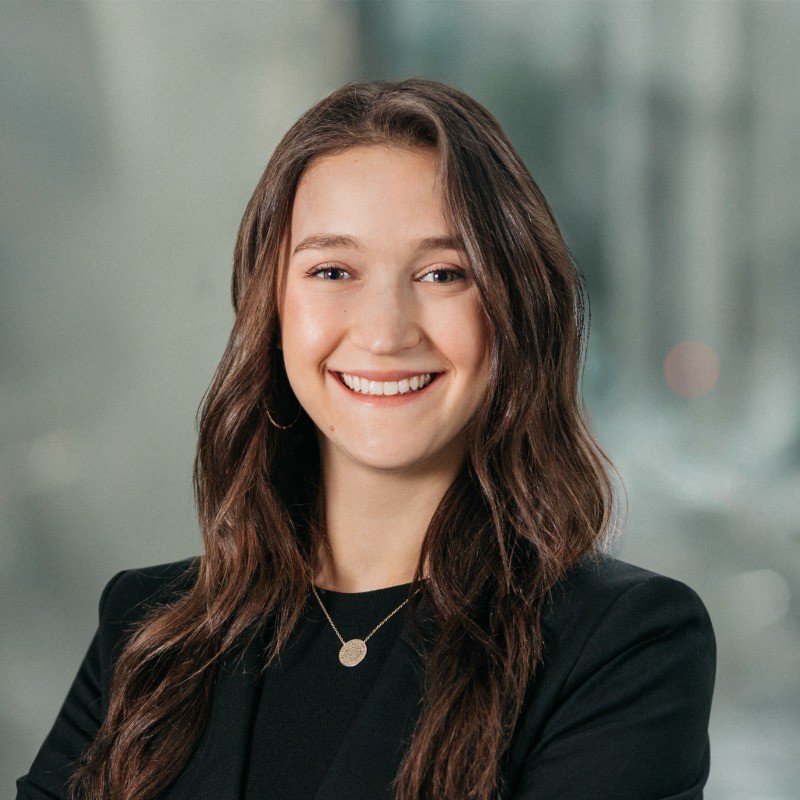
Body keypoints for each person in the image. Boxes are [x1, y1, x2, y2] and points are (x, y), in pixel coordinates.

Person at [16, 77, 716, 800]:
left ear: (515, 306)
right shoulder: (147, 633)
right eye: (333, 270)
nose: (385, 331)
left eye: (444, 273)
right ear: (273, 306)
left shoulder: (623, 645)